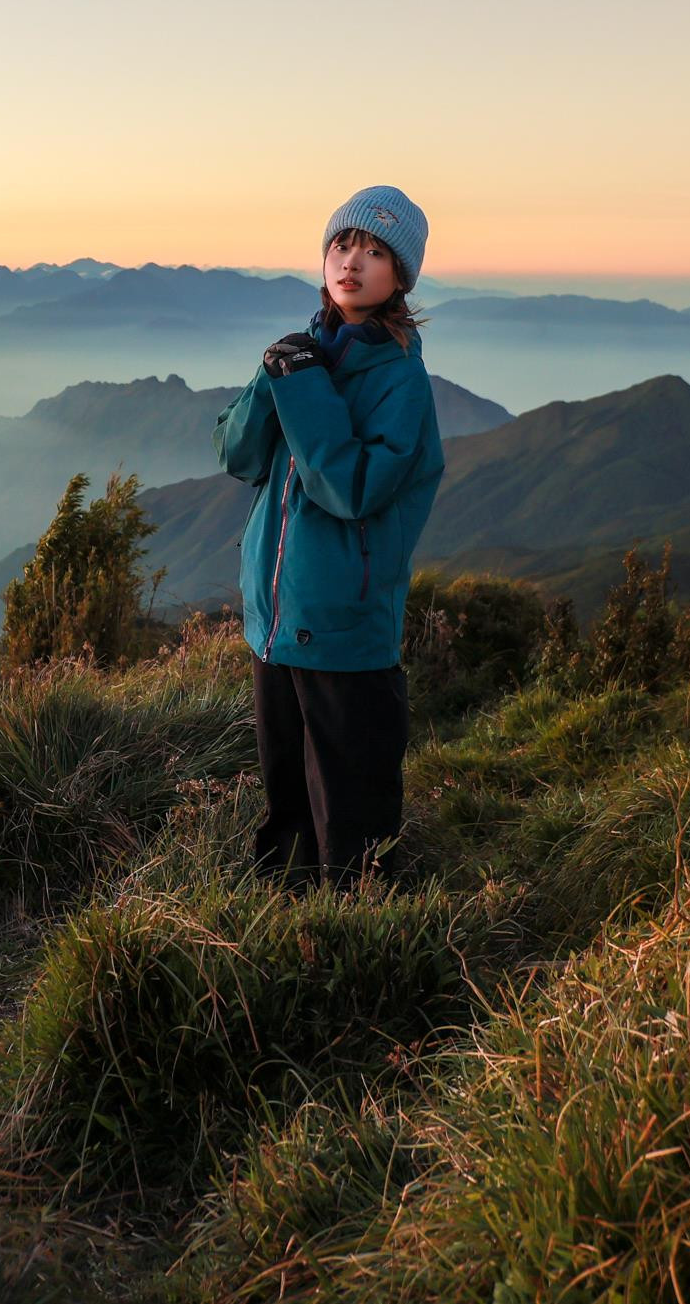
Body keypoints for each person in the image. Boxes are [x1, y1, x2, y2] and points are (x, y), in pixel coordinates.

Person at [212, 185, 446, 890]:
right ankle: (287, 929)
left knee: (353, 816)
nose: (352, 262)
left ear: (398, 278)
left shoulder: (399, 379)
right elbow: (238, 456)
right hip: (278, 620)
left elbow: (349, 489)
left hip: (344, 624)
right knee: (289, 799)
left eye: (376, 252)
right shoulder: (306, 354)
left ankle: (365, 946)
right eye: (343, 244)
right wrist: (271, 375)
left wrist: (304, 388)